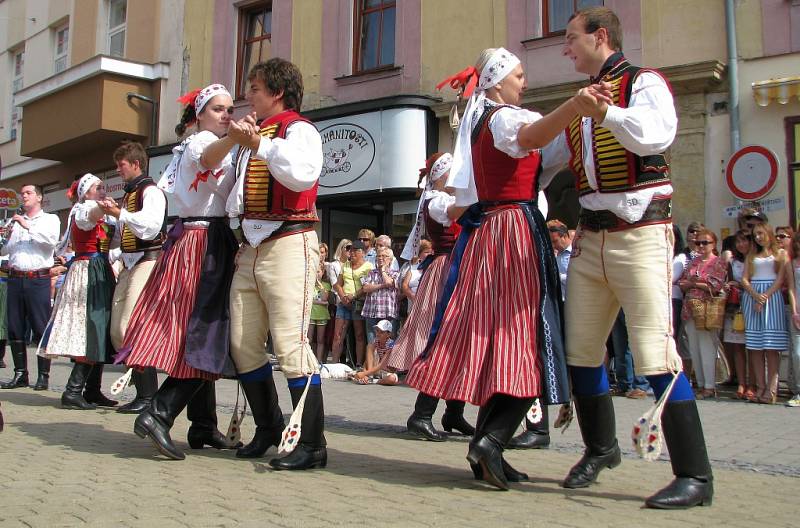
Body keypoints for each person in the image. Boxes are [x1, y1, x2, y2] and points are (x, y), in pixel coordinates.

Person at [542, 6, 714, 508]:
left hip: (641, 233)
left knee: (654, 352)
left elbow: (656, 135)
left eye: (571, 38)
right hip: (590, 239)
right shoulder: (579, 102)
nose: (565, 48)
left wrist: (605, 112)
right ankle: (601, 449)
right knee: (580, 352)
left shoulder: (644, 83)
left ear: (600, 37)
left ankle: (696, 477)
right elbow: (546, 160)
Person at [406, 47, 601, 490]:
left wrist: (583, 119)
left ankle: (485, 444)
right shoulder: (501, 118)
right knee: (531, 336)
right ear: (496, 81)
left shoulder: (487, 121)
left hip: (493, 229)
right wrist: (576, 104)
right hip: (512, 228)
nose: (524, 82)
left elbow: (542, 151)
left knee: (506, 339)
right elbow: (531, 138)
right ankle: (491, 441)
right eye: (519, 75)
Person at [112, 84, 240, 460]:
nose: (226, 114)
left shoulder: (198, 143)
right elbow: (212, 156)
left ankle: (201, 424)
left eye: (230, 108)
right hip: (201, 241)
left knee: (203, 332)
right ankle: (160, 413)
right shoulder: (202, 142)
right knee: (204, 333)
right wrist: (234, 137)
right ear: (199, 115)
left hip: (200, 238)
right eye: (218, 109)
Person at [224, 58, 326, 470]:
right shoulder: (257, 136)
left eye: (255, 87)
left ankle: (311, 443)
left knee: (289, 344)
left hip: (289, 241)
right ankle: (268, 428)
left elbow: (303, 174)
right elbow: (239, 196)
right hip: (251, 248)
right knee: (243, 346)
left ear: (277, 92)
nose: (248, 94)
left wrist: (259, 144)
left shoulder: (298, 129)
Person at [391, 153, 476, 443]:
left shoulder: (441, 198)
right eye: (454, 174)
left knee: (461, 340)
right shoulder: (437, 201)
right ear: (442, 177)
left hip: (459, 267)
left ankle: (453, 412)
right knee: (444, 339)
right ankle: (422, 415)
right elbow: (458, 212)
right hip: (447, 270)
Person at [41, 174, 117, 409]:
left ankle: (92, 390)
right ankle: (72, 391)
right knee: (90, 327)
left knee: (101, 327)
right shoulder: (83, 210)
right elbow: (91, 217)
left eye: (104, 187)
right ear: (86, 193)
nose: (102, 190)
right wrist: (103, 208)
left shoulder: (100, 212)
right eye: (98, 188)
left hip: (101, 269)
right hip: (86, 270)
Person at [102, 141, 162, 414]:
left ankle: (149, 396)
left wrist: (121, 214)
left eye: (121, 165)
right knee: (117, 331)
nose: (118, 170)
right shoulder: (129, 195)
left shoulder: (152, 192)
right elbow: (124, 236)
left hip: (147, 262)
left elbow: (150, 228)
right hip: (129, 263)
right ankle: (143, 392)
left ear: (136, 164)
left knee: (129, 327)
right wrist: (114, 252)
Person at [0, 184, 60, 390]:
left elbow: (50, 242)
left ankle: (43, 375)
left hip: (38, 279)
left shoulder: (50, 219)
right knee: (15, 326)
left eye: (28, 193)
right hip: (15, 278)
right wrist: (4, 235)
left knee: (40, 326)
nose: (24, 196)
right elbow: (4, 250)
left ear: (40, 197)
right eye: (22, 193)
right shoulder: (14, 222)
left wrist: (26, 225)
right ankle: (20, 374)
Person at [741, 223, 789, 405]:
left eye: (760, 233)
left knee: (771, 346)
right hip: (753, 296)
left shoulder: (780, 254)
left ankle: (771, 389)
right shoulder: (751, 255)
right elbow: (745, 279)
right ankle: (760, 386)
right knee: (754, 346)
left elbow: (780, 279)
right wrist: (754, 295)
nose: (758, 237)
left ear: (768, 233)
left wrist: (765, 296)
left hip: (771, 296)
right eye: (755, 235)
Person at [678, 228, 727, 399]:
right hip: (690, 308)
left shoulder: (718, 262)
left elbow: (716, 286)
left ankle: (709, 385)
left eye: (705, 242)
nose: (701, 245)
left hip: (708, 308)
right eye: (698, 242)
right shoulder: (693, 262)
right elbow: (682, 282)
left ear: (714, 244)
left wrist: (695, 283)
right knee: (694, 347)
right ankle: (699, 383)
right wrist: (692, 283)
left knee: (707, 347)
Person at [331, 240, 373, 366]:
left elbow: (366, 286)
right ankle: (333, 364)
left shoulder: (368, 266)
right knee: (338, 334)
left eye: (355, 250)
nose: (352, 252)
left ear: (362, 252)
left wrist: (353, 297)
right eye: (350, 250)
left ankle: (359, 364)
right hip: (344, 302)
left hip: (359, 303)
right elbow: (337, 284)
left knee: (359, 334)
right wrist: (343, 296)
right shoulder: (346, 265)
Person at [723, 230, 752, 399]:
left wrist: (740, 284)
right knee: (738, 347)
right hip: (736, 307)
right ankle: (741, 382)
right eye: (738, 242)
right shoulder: (732, 262)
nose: (741, 245)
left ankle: (754, 383)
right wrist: (729, 285)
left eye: (744, 241)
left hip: (753, 303)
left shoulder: (756, 259)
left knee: (755, 347)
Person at [360, 246, 399, 344]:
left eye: (384, 256)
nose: (380, 258)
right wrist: (382, 285)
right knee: (372, 343)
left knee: (388, 344)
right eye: (378, 256)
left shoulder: (395, 273)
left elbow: (389, 282)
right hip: (372, 312)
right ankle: (372, 360)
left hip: (388, 313)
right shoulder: (371, 273)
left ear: (390, 259)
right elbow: (365, 288)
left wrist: (383, 271)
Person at [353, 320, 399, 385]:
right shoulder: (376, 341)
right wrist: (365, 372)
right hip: (377, 371)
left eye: (381, 332)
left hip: (389, 371)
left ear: (388, 334)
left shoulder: (391, 344)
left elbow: (381, 365)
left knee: (391, 379)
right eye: (377, 331)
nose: (378, 334)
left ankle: (371, 380)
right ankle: (369, 377)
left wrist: (364, 373)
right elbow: (367, 361)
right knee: (369, 346)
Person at [310, 248, 332, 362]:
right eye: (315, 271)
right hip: (311, 315)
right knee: (308, 339)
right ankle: (309, 360)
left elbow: (325, 298)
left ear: (323, 272)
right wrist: (322, 303)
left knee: (320, 340)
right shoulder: (309, 285)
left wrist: (319, 284)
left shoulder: (326, 285)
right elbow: (309, 300)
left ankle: (318, 361)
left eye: (318, 271)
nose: (317, 274)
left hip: (322, 315)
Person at [787, 232, 800, 407]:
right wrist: (795, 311)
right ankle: (798, 391)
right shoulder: (792, 263)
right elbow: (791, 288)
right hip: (798, 312)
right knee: (798, 354)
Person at [547, 219, 572, 301]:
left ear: (564, 236)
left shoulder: (577, 253)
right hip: (558, 302)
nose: (553, 246)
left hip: (574, 301)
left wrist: (558, 276)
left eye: (555, 241)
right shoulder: (554, 255)